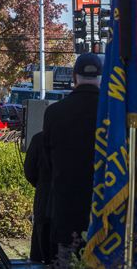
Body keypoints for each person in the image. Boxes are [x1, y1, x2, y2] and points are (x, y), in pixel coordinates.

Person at [42, 53, 102, 260]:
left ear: (74, 78)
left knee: (68, 260)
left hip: (67, 206)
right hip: (105, 205)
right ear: (101, 78)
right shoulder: (112, 112)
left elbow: (48, 158)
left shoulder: (54, 112)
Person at [24, 130, 54, 264]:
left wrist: (41, 184)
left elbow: (29, 171)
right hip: (66, 202)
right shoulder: (73, 136)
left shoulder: (39, 138)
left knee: (41, 249)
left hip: (44, 196)